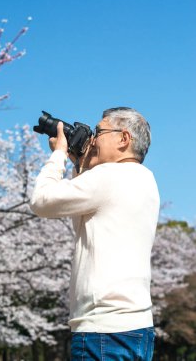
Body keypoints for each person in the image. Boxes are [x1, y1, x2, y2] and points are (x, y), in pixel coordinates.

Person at [30, 107, 160, 360]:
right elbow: (85, 220)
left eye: (99, 132)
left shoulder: (108, 176)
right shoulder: (145, 179)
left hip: (102, 330)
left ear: (124, 138)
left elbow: (41, 201)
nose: (92, 139)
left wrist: (57, 155)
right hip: (137, 327)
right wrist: (81, 166)